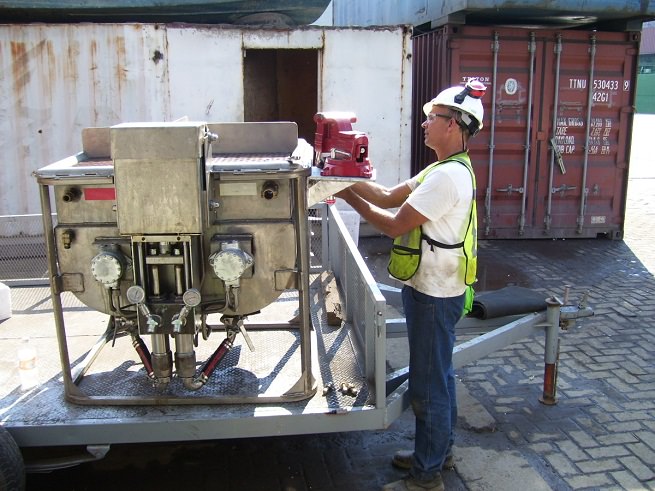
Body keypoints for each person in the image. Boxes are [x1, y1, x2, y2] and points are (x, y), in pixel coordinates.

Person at [335, 81, 485, 491]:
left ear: (454, 124)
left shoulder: (448, 178)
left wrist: (346, 195)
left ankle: (426, 475)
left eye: (431, 118)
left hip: (437, 295)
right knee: (439, 377)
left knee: (429, 384)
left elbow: (393, 222)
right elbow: (386, 194)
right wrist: (342, 177)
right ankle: (436, 452)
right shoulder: (441, 168)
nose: (424, 124)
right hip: (433, 287)